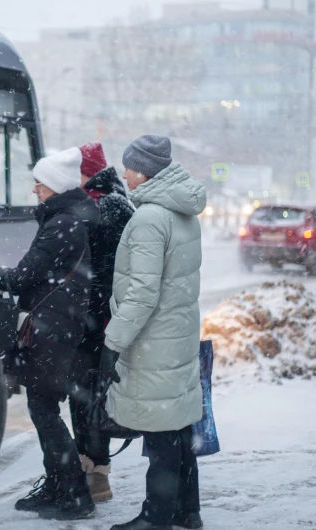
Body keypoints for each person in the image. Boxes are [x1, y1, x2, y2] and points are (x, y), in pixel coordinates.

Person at [0, 147, 98, 521]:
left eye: (39, 183)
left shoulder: (62, 224)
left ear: (55, 187)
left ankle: (74, 493)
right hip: (60, 326)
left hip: (53, 330)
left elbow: (19, 278)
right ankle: (60, 486)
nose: (35, 190)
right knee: (42, 407)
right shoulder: (69, 218)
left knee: (44, 410)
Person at [101, 135, 207, 530]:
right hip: (175, 335)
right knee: (177, 425)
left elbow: (141, 293)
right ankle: (186, 510)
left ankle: (156, 517)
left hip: (153, 341)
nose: (124, 174)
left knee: (162, 433)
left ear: (144, 170)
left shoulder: (148, 218)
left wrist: (113, 343)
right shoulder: (181, 211)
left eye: (128, 167)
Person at [69, 142, 135, 502]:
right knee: (88, 395)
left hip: (97, 320)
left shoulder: (105, 206)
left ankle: (97, 474)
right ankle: (90, 468)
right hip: (95, 317)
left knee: (91, 396)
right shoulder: (104, 200)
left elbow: (103, 272)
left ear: (87, 171)